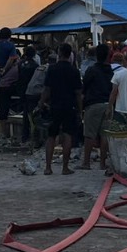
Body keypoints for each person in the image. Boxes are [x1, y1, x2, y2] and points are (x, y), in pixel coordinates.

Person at [38, 42, 83, 175]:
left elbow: (47, 89)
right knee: (68, 135)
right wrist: (80, 111)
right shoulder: (74, 71)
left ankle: (48, 167)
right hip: (69, 106)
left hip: (54, 106)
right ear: (70, 55)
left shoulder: (52, 69)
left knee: (51, 136)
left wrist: (41, 102)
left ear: (59, 53)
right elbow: (78, 93)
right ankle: (65, 167)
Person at [80, 42, 114, 170]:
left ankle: (86, 162)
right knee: (105, 134)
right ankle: (102, 163)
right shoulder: (111, 71)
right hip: (108, 104)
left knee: (89, 134)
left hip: (93, 104)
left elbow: (84, 87)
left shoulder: (92, 70)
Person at [0, 28, 20, 138]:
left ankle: (4, 133)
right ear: (9, 36)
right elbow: (11, 58)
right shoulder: (11, 46)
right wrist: (5, 68)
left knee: (1, 102)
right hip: (10, 78)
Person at [16, 46, 40, 145]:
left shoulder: (21, 64)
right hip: (32, 92)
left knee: (25, 114)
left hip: (22, 91)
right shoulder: (35, 65)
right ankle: (34, 137)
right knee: (33, 115)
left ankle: (25, 136)